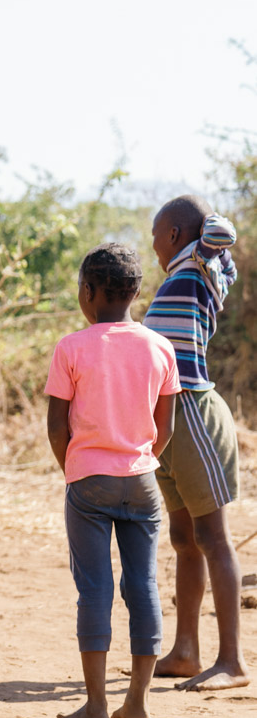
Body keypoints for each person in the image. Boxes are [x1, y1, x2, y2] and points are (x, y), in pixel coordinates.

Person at [45, 244, 180, 718]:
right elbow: (165, 427)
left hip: (89, 482)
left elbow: (57, 427)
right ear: (137, 292)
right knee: (143, 586)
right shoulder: (160, 346)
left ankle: (97, 706)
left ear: (87, 292)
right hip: (142, 482)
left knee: (95, 589)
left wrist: (75, 467)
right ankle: (138, 703)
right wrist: (143, 460)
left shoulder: (72, 348)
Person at [145, 197, 248, 691]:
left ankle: (231, 662)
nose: (154, 252)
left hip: (194, 413)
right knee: (184, 539)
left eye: (156, 239)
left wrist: (201, 227)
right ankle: (186, 651)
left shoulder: (202, 263)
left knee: (213, 538)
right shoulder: (174, 277)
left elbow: (223, 231)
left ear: (173, 235)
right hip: (167, 417)